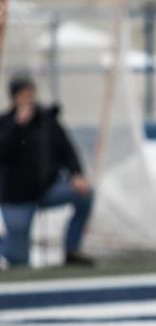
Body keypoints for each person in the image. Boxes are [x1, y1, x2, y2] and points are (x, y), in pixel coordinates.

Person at [0, 74, 94, 268]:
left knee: (84, 195)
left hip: (46, 189)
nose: (28, 99)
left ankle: (71, 249)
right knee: (19, 261)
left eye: (30, 94)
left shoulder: (46, 121)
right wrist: (18, 127)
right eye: (23, 95)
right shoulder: (5, 123)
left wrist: (76, 174)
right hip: (16, 198)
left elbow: (67, 149)